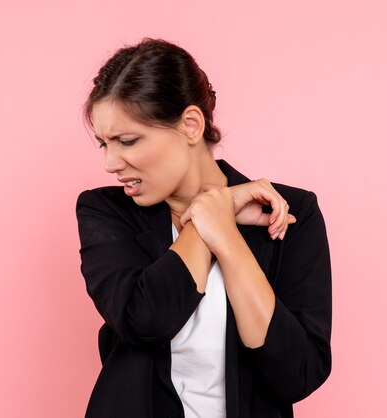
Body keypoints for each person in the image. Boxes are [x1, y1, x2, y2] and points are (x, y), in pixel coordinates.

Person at [76, 38, 332, 418]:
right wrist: (213, 214)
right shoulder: (105, 211)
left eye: (127, 141)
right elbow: (145, 320)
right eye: (104, 145)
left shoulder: (292, 212)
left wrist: (227, 237)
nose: (111, 163)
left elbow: (297, 375)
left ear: (191, 125)